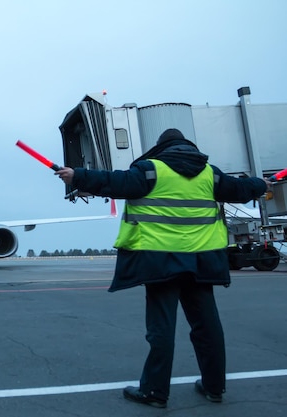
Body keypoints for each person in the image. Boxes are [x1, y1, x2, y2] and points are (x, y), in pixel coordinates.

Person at [55, 128, 270, 408]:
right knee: (207, 326)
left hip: (160, 261)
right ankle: (214, 386)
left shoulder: (150, 171)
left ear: (161, 148)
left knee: (161, 329)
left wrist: (78, 175)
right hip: (201, 260)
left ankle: (155, 392)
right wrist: (261, 185)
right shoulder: (210, 174)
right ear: (188, 147)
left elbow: (113, 182)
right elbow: (241, 190)